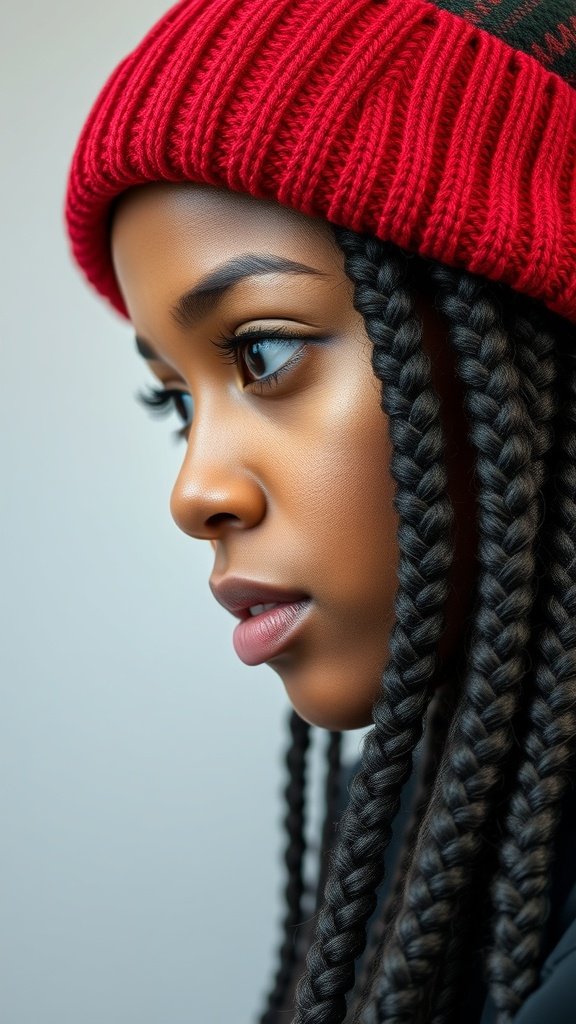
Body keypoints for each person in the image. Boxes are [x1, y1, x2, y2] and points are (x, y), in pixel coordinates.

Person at [64, 1, 576, 1021]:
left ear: (536, 346)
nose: (197, 493)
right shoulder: (435, 817)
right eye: (175, 399)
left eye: (263, 352)